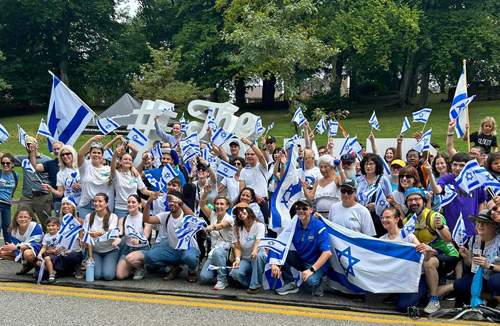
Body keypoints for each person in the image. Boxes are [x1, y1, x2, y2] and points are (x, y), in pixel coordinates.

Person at [402, 187, 458, 313]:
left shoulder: (434, 217)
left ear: (423, 201)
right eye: (410, 200)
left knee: (429, 262)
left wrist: (441, 227)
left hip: (447, 255)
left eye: (417, 199)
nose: (414, 202)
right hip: (425, 255)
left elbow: (448, 239)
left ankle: (434, 300)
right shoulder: (407, 221)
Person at [271, 198, 332, 296]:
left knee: (310, 281)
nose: (301, 211)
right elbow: (280, 242)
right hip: (301, 259)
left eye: (304, 208)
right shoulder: (294, 224)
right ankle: (290, 283)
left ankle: (317, 283)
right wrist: (274, 263)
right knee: (283, 254)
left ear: (311, 210)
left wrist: (311, 270)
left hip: (315, 263)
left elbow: (327, 253)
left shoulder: (319, 226)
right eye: (298, 208)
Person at [379, 207, 433, 312]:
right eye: (382, 217)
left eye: (388, 217)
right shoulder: (382, 240)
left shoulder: (408, 236)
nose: (384, 220)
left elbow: (425, 257)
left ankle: (424, 293)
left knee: (404, 307)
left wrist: (428, 250)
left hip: (414, 277)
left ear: (397, 219)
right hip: (397, 277)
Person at [143, 190, 200, 282]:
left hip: (189, 249)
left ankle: (192, 270)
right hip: (174, 251)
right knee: (149, 256)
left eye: (174, 201)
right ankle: (174, 267)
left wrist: (180, 202)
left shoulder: (185, 215)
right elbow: (147, 219)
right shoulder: (165, 216)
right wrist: (149, 202)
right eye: (170, 201)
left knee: (190, 258)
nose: (172, 203)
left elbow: (192, 217)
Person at [426, 153, 487, 236]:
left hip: (471, 226)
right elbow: (437, 190)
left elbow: (482, 202)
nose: (457, 168)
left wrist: (479, 222)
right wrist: (430, 173)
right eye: (455, 165)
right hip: (452, 227)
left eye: (462, 165)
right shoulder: (447, 179)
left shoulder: (476, 181)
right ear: (451, 165)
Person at [451, 210, 500, 307]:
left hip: (495, 278)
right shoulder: (473, 240)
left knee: (494, 282)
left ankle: (495, 299)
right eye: (478, 222)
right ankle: (490, 299)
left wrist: (488, 266)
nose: (479, 225)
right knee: (459, 285)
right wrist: (466, 257)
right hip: (480, 276)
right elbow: (472, 265)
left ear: (494, 226)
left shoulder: (498, 241)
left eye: (484, 222)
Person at [4, 136, 52, 232]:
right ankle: (22, 242)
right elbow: (6, 158)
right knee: (20, 219)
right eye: (27, 146)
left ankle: (47, 244)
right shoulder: (23, 159)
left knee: (47, 224)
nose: (30, 148)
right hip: (27, 196)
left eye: (32, 145)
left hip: (42, 196)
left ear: (37, 145)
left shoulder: (47, 160)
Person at [199, 186, 234, 290]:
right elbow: (202, 205)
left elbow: (222, 225)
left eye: (222, 204)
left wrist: (212, 227)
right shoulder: (213, 215)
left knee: (217, 252)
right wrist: (205, 193)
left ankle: (222, 280)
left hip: (226, 252)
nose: (219, 206)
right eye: (217, 204)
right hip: (213, 252)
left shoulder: (230, 219)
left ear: (227, 206)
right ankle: (223, 271)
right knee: (204, 277)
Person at [229, 202, 267, 294]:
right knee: (234, 273)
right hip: (245, 259)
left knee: (257, 256)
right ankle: (250, 282)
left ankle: (255, 286)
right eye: (238, 213)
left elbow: (258, 242)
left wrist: (254, 252)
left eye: (242, 211)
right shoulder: (236, 228)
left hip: (257, 256)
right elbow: (237, 247)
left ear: (249, 211)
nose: (240, 214)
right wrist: (237, 260)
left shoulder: (259, 225)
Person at [83, 193, 119, 281]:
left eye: (100, 201)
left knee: (108, 276)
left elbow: (112, 233)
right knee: (96, 276)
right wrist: (90, 256)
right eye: (95, 201)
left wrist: (100, 233)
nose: (97, 203)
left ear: (106, 204)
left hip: (110, 250)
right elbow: (88, 238)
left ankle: (113, 264)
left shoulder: (113, 216)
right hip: (95, 251)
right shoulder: (89, 217)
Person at [114, 195, 151, 280]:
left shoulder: (145, 218)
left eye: (133, 202)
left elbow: (146, 236)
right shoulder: (122, 220)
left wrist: (139, 241)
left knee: (130, 259)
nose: (130, 204)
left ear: (139, 205)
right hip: (128, 249)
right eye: (129, 202)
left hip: (142, 249)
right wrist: (116, 240)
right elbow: (119, 234)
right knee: (120, 276)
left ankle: (140, 267)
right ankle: (132, 266)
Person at [36, 216, 82, 283]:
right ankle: (53, 271)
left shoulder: (61, 234)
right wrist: (40, 254)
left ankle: (51, 275)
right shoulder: (46, 236)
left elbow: (70, 243)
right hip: (52, 255)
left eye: (53, 225)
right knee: (38, 262)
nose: (51, 227)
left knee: (47, 258)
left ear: (58, 226)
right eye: (48, 226)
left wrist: (69, 250)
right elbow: (44, 247)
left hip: (60, 256)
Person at [356, 153, 393, 237]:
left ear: (377, 165)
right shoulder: (358, 180)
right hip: (360, 215)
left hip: (376, 217)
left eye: (371, 164)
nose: (368, 166)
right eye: (366, 164)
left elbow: (390, 198)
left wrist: (377, 204)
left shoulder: (383, 180)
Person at [77, 135, 113, 219]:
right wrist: (91, 140)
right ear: (90, 154)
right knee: (85, 230)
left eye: (99, 153)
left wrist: (132, 168)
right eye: (94, 152)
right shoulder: (85, 166)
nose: (96, 155)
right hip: (87, 206)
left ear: (102, 156)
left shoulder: (108, 169)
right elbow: (79, 155)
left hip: (103, 207)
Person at [0, 207, 43, 275]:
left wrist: (16, 247)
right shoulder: (13, 230)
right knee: (1, 252)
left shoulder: (35, 226)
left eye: (25, 217)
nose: (23, 219)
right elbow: (14, 245)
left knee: (27, 253)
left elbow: (34, 245)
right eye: (20, 217)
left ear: (30, 218)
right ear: (16, 219)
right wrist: (5, 248)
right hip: (21, 249)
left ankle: (37, 266)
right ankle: (27, 265)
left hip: (37, 251)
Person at [109, 149, 149, 219]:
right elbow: (112, 166)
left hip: (135, 207)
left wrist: (153, 193)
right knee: (121, 229)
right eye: (125, 159)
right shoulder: (116, 174)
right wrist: (115, 155)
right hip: (121, 209)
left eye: (130, 160)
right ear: (120, 161)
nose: (128, 161)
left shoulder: (135, 174)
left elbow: (143, 190)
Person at [42, 145, 82, 211]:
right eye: (62, 155)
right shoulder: (60, 173)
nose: (65, 156)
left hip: (84, 204)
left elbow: (91, 184)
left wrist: (82, 186)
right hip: (70, 207)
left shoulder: (81, 168)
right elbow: (60, 194)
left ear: (73, 154)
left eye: (67, 154)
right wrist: (51, 189)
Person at [29, 141, 63, 216]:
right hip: (57, 198)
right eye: (54, 149)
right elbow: (35, 166)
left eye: (58, 149)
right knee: (60, 221)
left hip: (72, 197)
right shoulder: (50, 164)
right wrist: (32, 152)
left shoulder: (71, 164)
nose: (56, 151)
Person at [239, 137, 269, 221]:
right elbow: (242, 188)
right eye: (247, 154)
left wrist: (250, 143)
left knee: (264, 224)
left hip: (263, 201)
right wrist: (254, 196)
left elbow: (261, 156)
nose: (249, 156)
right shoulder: (243, 171)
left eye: (252, 154)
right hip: (250, 201)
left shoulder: (262, 166)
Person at [0, 153, 19, 243]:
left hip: (7, 204)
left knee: (7, 227)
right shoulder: (0, 173)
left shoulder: (15, 175)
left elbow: (15, 186)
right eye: (3, 163)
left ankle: (8, 249)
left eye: (7, 163)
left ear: (12, 164)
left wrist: (10, 196)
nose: (5, 165)